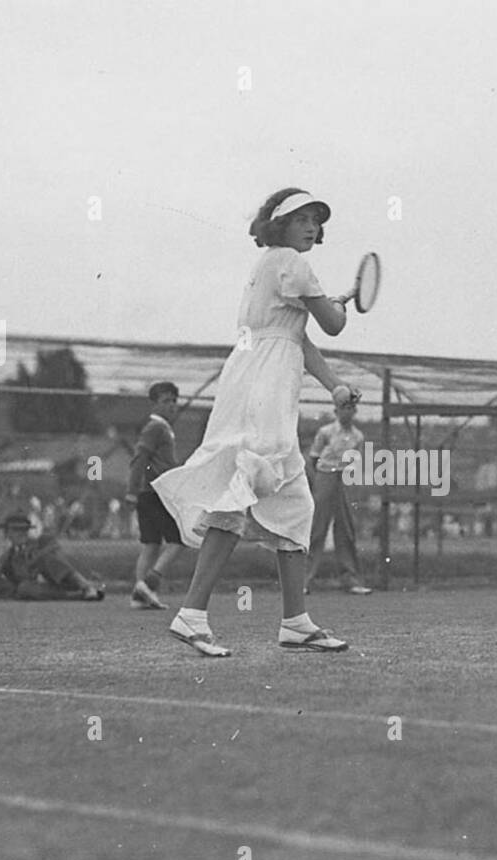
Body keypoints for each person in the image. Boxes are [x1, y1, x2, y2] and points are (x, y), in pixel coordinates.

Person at [151, 187, 361, 657]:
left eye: (315, 219)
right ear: (279, 225)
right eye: (300, 218)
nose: (311, 226)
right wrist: (338, 306)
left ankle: (296, 622)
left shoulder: (271, 267)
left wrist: (334, 386)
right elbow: (332, 325)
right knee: (240, 492)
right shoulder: (291, 261)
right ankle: (192, 615)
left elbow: (299, 338)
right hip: (262, 387)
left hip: (257, 378)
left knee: (294, 506)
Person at [125, 381, 186, 609]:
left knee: (150, 544)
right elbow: (140, 458)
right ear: (154, 404)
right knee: (179, 539)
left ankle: (138, 596)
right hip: (155, 492)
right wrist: (131, 491)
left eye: (174, 401)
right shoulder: (156, 428)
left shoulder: (164, 428)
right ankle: (150, 582)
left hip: (148, 492)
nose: (171, 405)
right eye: (165, 401)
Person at [306, 398, 373, 595]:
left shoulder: (358, 436)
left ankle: (350, 580)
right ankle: (303, 580)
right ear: (336, 411)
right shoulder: (325, 432)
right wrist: (320, 480)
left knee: (346, 528)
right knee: (317, 528)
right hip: (326, 475)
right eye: (344, 408)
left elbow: (357, 461)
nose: (347, 412)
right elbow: (314, 457)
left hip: (346, 478)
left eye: (351, 408)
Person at [0, 513, 105, 600]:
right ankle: (78, 596)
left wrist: (35, 560)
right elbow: (4, 586)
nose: (20, 533)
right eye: (15, 530)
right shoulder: (7, 558)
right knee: (25, 588)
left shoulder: (41, 542)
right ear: (7, 533)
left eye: (24, 529)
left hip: (63, 579)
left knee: (47, 558)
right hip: (42, 588)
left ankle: (86, 587)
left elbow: (56, 555)